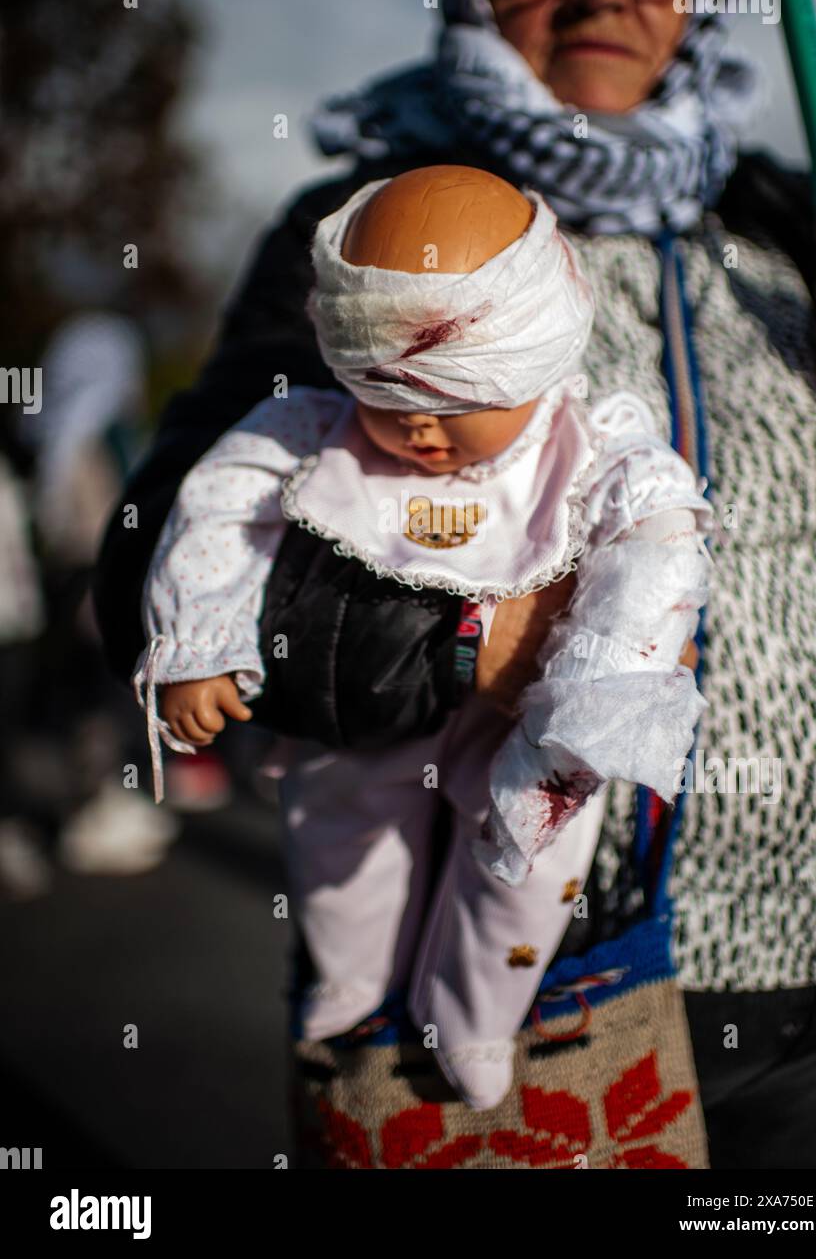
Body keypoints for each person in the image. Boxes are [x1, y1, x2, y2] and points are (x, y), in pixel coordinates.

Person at [94, 0, 816, 1168]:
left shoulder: (804, 229)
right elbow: (157, 551)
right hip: (550, 979)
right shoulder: (367, 244)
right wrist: (464, 644)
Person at [131, 164, 711, 1108]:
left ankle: (476, 1009)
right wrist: (200, 640)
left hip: (524, 728)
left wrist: (608, 679)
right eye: (389, 404)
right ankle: (353, 975)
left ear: (538, 359)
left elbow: (661, 531)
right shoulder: (315, 429)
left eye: (452, 404)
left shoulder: (589, 449)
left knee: (531, 863)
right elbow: (220, 501)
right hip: (368, 716)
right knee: (336, 835)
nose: (420, 434)